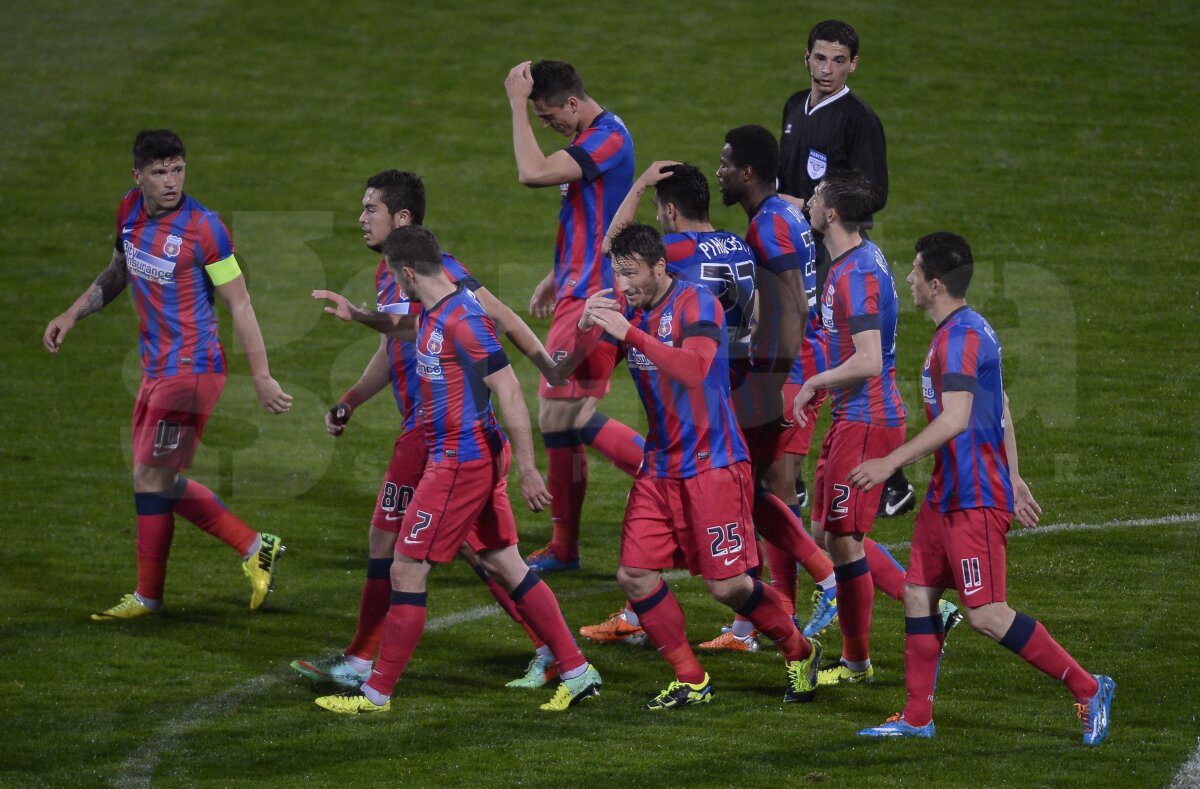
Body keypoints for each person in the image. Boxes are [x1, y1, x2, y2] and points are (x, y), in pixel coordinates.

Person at [293, 171, 563, 691]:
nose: (361, 218)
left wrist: (548, 367)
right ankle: (553, 651)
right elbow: (393, 348)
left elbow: (502, 318)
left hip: (441, 434)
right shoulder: (392, 273)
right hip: (431, 433)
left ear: (401, 218)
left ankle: (363, 664)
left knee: (419, 546)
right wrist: (351, 399)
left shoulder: (440, 272)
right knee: (476, 551)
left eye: (370, 209)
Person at [315, 226, 602, 714]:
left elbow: (508, 388)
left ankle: (376, 693)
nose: (393, 284)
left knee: (407, 567)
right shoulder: (435, 310)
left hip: (459, 462)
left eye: (394, 276)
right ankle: (577, 670)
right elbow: (407, 327)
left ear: (408, 273)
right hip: (463, 456)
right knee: (505, 562)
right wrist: (359, 315)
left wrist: (529, 468)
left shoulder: (464, 320)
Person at [853, 232, 1114, 745]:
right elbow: (1003, 406)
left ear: (935, 284)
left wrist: (890, 462)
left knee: (987, 615)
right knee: (918, 594)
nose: (908, 279)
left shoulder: (960, 338)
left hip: (973, 497)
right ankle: (917, 717)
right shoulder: (962, 330)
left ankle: (1088, 687)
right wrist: (1014, 476)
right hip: (948, 494)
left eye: (914, 272)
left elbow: (955, 419)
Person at [556, 223, 821, 708]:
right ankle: (692, 678)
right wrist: (585, 331)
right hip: (659, 468)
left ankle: (799, 650)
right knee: (634, 575)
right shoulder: (629, 312)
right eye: (618, 275)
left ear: (660, 266)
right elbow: (584, 377)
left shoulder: (696, 303)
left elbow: (695, 369)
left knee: (728, 585)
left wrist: (629, 332)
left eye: (632, 274)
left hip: (712, 464)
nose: (624, 285)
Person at [42, 129, 292, 619]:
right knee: (152, 478)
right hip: (155, 368)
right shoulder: (128, 211)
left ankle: (233, 555)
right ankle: (206, 569)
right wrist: (71, 314)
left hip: (193, 370)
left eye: (178, 169)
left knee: (153, 476)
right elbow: (118, 271)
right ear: (137, 176)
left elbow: (240, 303)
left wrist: (261, 375)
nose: (171, 181)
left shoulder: (205, 229)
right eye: (159, 172)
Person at [505, 59, 645, 573]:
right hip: (580, 287)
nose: (547, 125)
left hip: (596, 297)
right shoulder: (596, 135)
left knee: (566, 415)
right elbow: (596, 215)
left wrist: (516, 104)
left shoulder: (608, 139)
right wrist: (556, 272)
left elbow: (533, 173)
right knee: (560, 418)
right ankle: (564, 549)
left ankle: (676, 477)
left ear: (572, 102)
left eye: (548, 116)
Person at [777, 19, 914, 518]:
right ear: (806, 57)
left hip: (829, 251)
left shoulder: (859, 119)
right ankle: (805, 473)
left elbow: (875, 193)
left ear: (853, 64)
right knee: (808, 350)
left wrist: (812, 204)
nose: (827, 69)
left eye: (838, 60)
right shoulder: (795, 105)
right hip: (796, 243)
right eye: (820, 58)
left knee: (827, 353)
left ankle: (809, 476)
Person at [715, 127, 841, 643]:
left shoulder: (769, 226)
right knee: (759, 490)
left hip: (792, 372)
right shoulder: (781, 214)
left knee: (773, 492)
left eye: (725, 164)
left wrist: (776, 384)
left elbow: (794, 308)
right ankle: (760, 617)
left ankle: (816, 590)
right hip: (795, 366)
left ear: (747, 173)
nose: (719, 172)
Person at [791, 171, 909, 686]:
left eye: (817, 197)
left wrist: (814, 381)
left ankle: (857, 661)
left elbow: (868, 360)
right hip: (852, 417)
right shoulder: (850, 259)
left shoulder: (856, 274)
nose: (810, 201)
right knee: (825, 533)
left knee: (843, 539)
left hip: (868, 418)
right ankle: (921, 603)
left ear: (833, 214)